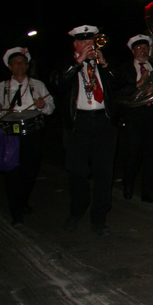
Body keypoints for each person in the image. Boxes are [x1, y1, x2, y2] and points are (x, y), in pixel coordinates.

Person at [51, 25, 120, 235]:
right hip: (78, 124)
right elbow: (57, 83)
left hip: (103, 123)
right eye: (85, 42)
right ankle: (77, 210)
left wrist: (104, 62)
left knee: (104, 174)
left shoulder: (101, 63)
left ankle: (99, 219)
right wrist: (78, 61)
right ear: (76, 44)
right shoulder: (67, 64)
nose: (90, 46)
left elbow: (120, 82)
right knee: (78, 173)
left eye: (92, 42)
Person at [0, 47, 55, 226]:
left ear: (27, 66)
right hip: (10, 134)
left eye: (22, 63)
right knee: (12, 173)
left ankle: (22, 201)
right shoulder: (1, 87)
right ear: (9, 67)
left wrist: (41, 105)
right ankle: (16, 213)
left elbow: (50, 108)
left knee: (30, 172)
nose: (19, 66)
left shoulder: (38, 85)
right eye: (15, 63)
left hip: (32, 133)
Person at [117, 34, 153, 203]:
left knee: (152, 157)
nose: (143, 50)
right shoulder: (124, 69)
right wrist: (139, 84)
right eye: (139, 48)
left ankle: (148, 192)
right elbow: (119, 92)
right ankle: (128, 185)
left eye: (146, 48)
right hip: (134, 117)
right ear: (133, 51)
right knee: (132, 154)